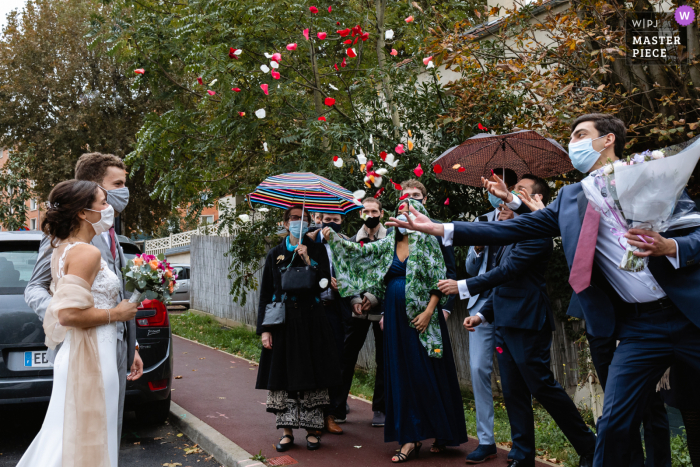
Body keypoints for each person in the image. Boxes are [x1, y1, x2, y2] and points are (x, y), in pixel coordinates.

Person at [388, 113, 700, 467]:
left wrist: (671, 248)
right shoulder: (571, 198)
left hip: (688, 314)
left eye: (582, 134)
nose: (575, 143)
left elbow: (697, 236)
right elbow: (508, 232)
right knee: (613, 424)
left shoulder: (652, 176)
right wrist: (441, 228)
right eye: (572, 137)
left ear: (608, 139)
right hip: (639, 329)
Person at [446, 175, 597, 467]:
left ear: (536, 200)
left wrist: (464, 286)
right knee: (514, 391)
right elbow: (503, 284)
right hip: (503, 322)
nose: (511, 195)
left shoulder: (538, 234)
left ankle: (589, 446)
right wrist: (482, 314)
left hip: (528, 322)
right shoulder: (510, 232)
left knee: (542, 387)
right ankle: (522, 454)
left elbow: (509, 271)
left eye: (520, 192)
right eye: (512, 191)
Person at [325, 199, 468, 463]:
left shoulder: (426, 242)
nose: (403, 217)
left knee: (427, 372)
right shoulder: (388, 243)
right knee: (400, 374)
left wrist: (428, 312)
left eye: (409, 213)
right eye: (400, 213)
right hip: (394, 317)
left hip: (422, 317)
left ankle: (441, 431)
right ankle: (409, 436)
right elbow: (359, 254)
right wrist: (333, 237)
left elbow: (439, 278)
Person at [18, 180, 139, 467]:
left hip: (86, 352)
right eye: (102, 203)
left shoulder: (64, 247)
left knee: (69, 434)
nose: (109, 208)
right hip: (91, 356)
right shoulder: (86, 252)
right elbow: (68, 315)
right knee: (85, 435)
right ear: (84, 213)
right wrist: (117, 314)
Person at [255, 205, 341, 452]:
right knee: (283, 377)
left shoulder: (317, 250)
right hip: (282, 323)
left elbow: (325, 283)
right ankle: (287, 432)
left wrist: (308, 260)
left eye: (303, 219)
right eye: (293, 218)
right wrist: (265, 329)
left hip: (313, 321)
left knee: (314, 375)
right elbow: (266, 295)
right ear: (284, 223)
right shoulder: (275, 254)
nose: (298, 222)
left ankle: (314, 431)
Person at [461, 168, 517, 463]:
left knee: (517, 375)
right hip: (480, 307)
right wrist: (477, 248)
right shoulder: (481, 221)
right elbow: (471, 269)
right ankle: (486, 440)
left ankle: (522, 441)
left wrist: (515, 222)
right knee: (479, 370)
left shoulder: (527, 220)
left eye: (500, 186)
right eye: (491, 187)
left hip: (511, 307)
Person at [341, 197, 392, 428]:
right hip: (357, 309)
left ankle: (380, 407)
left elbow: (391, 273)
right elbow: (347, 274)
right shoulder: (353, 241)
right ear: (361, 214)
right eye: (366, 211)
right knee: (347, 356)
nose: (370, 214)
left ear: (381, 214)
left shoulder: (391, 241)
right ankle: (338, 405)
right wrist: (354, 299)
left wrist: (374, 297)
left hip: (382, 309)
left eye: (374, 210)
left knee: (384, 359)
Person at [306, 211, 353, 434]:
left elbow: (355, 276)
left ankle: (330, 414)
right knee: (313, 363)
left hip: (336, 311)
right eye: (327, 219)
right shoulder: (308, 242)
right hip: (313, 311)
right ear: (318, 219)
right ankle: (313, 417)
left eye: (336, 219)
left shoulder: (345, 244)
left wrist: (342, 284)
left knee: (336, 364)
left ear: (342, 221)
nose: (331, 223)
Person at [399, 179, 457, 324]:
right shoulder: (392, 230)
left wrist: (446, 308)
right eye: (406, 196)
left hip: (433, 304)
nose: (411, 199)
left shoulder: (440, 229)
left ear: (424, 200)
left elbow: (450, 270)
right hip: (399, 302)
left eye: (416, 195)